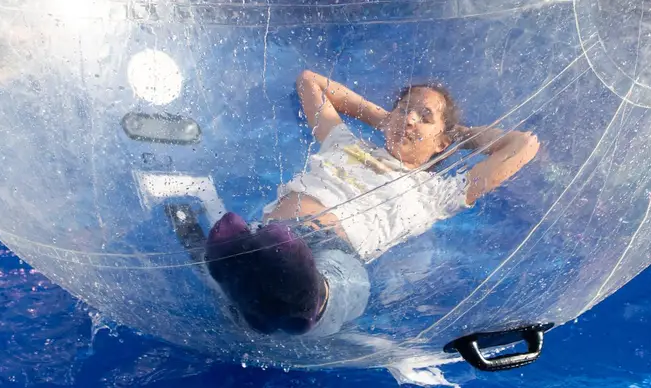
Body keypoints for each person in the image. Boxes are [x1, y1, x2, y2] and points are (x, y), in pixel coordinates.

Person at [202, 69, 539, 337]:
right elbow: (310, 81)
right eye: (404, 109)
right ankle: (257, 280)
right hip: (275, 233)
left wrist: (456, 138)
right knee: (267, 246)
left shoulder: (435, 192)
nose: (410, 119)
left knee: (338, 279)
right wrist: (385, 119)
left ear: (442, 142)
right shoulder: (344, 142)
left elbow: (522, 145)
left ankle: (300, 296)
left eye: (424, 117)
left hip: (329, 252)